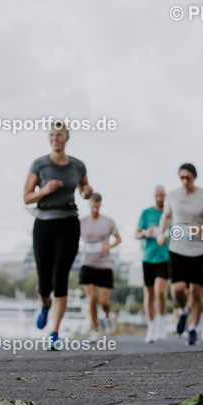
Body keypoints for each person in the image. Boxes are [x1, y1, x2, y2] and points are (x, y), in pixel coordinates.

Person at [24, 122, 94, 348]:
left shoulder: (77, 165)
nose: (56, 138)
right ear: (49, 138)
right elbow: (26, 197)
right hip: (44, 223)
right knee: (45, 283)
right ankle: (45, 305)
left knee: (60, 276)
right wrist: (44, 190)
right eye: (52, 134)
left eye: (60, 134)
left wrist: (86, 192)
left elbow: (84, 189)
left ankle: (54, 332)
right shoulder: (40, 164)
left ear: (66, 138)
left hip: (68, 223)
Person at [156, 163, 203, 346]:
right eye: (182, 178)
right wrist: (161, 233)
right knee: (177, 289)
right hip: (178, 248)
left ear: (194, 177)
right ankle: (183, 310)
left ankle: (193, 329)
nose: (185, 181)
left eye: (188, 177)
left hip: (199, 250)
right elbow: (167, 216)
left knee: (196, 292)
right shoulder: (173, 196)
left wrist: (202, 228)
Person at [79, 194, 121, 338]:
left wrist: (108, 247)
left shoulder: (108, 221)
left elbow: (118, 239)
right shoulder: (82, 222)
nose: (95, 209)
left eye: (97, 206)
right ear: (89, 205)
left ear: (100, 204)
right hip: (87, 264)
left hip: (104, 264)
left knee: (103, 301)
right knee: (92, 299)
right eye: (92, 206)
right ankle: (95, 330)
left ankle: (108, 315)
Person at [136, 185, 170, 343]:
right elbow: (136, 233)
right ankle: (151, 326)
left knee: (160, 292)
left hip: (164, 257)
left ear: (165, 196)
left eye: (162, 195)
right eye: (157, 195)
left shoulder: (170, 214)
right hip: (148, 258)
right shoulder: (146, 213)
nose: (159, 198)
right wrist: (144, 233)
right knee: (149, 294)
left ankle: (160, 323)